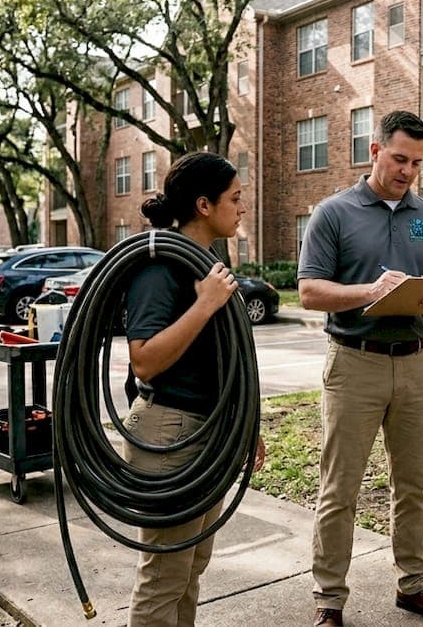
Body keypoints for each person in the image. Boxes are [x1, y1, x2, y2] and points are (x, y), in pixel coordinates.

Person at [297, 110, 423, 627]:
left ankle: (414, 586)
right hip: (354, 363)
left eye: (416, 162)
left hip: (417, 364)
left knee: (413, 484)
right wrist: (370, 292)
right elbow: (309, 291)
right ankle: (329, 600)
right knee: (339, 488)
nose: (407, 171)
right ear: (374, 151)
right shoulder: (333, 213)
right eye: (398, 159)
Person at [122, 151, 266, 626]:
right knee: (165, 575)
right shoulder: (159, 264)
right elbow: (143, 360)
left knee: (190, 569)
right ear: (204, 205)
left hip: (209, 429)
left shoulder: (208, 261)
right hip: (168, 433)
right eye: (236, 198)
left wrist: (245, 423)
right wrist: (203, 305)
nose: (242, 208)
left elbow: (225, 359)